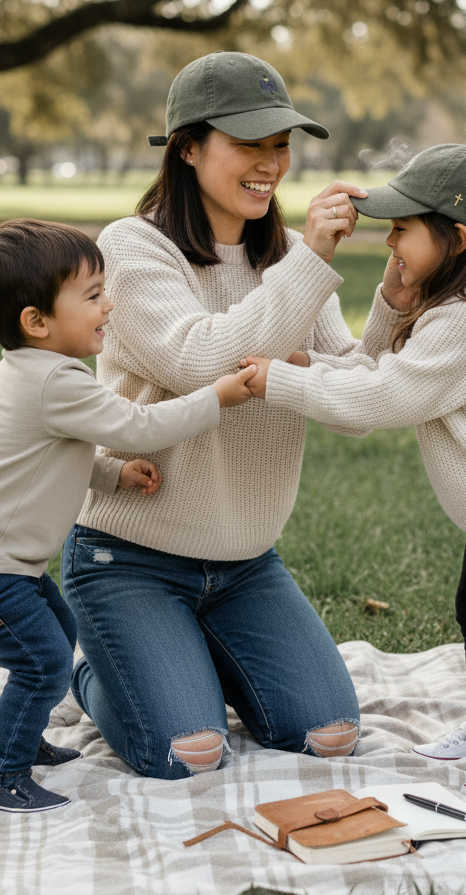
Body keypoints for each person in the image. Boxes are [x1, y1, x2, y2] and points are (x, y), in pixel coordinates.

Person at [242, 144, 466, 797]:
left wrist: (280, 383)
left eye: (403, 230)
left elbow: (382, 397)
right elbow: (374, 364)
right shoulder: (449, 303)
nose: (390, 242)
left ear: (456, 239)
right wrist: (381, 304)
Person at [62, 52, 368, 779]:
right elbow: (202, 363)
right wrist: (306, 282)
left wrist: (391, 296)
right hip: (129, 558)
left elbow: (355, 401)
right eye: (249, 144)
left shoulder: (292, 259)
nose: (271, 164)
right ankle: (93, 667)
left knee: (328, 736)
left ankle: (187, 654)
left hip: (246, 563)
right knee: (185, 753)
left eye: (281, 145)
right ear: (188, 148)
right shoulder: (133, 247)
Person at [0, 218, 257, 812]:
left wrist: (112, 473)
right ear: (36, 322)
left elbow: (54, 455)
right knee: (43, 661)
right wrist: (217, 396)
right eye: (93, 295)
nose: (109, 304)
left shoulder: (37, 374)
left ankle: (23, 736)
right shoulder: (56, 382)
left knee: (57, 636)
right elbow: (140, 426)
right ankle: (0, 778)